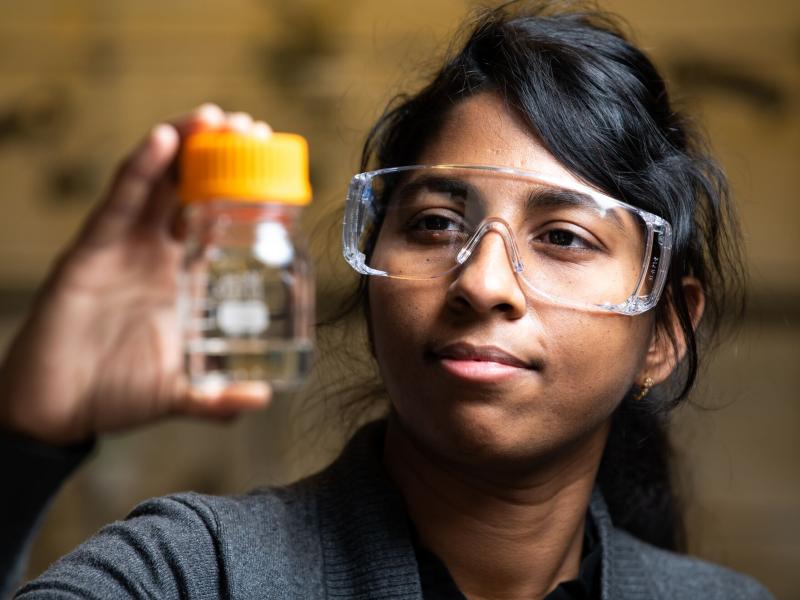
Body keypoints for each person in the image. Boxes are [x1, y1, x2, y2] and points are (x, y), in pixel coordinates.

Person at [0, 2, 774, 599]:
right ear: (372, 279)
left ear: (666, 331)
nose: (481, 282)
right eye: (435, 224)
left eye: (564, 238)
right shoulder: (190, 574)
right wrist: (19, 442)